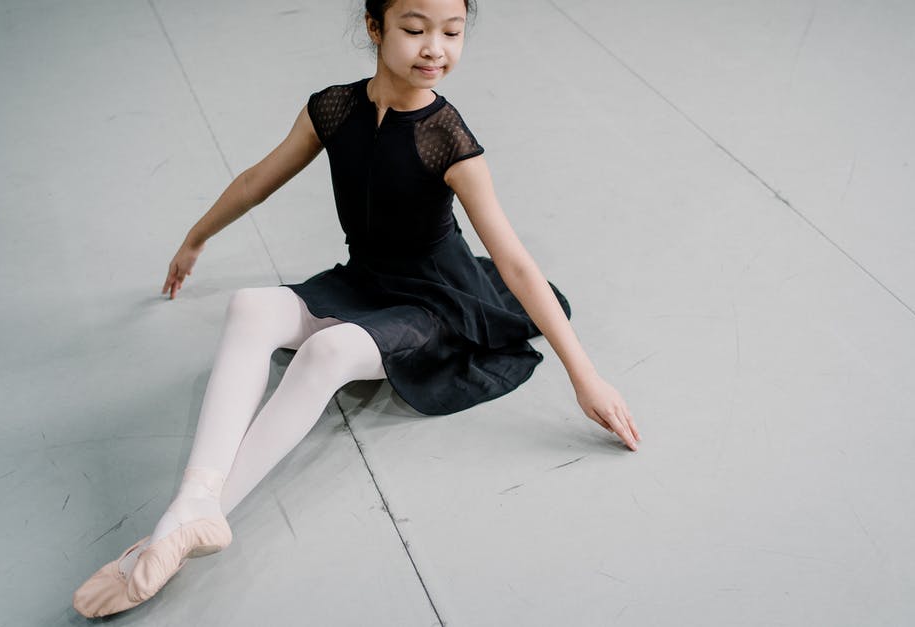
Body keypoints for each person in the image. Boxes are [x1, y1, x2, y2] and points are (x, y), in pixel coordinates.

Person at [73, 0, 639, 618]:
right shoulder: (334, 109)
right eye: (415, 29)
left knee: (327, 351)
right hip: (364, 282)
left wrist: (586, 376)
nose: (435, 50)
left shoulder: (448, 140)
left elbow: (517, 264)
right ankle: (193, 505)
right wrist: (195, 237)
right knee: (250, 307)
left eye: (452, 33)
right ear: (375, 28)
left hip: (436, 303)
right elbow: (256, 180)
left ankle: (172, 536)